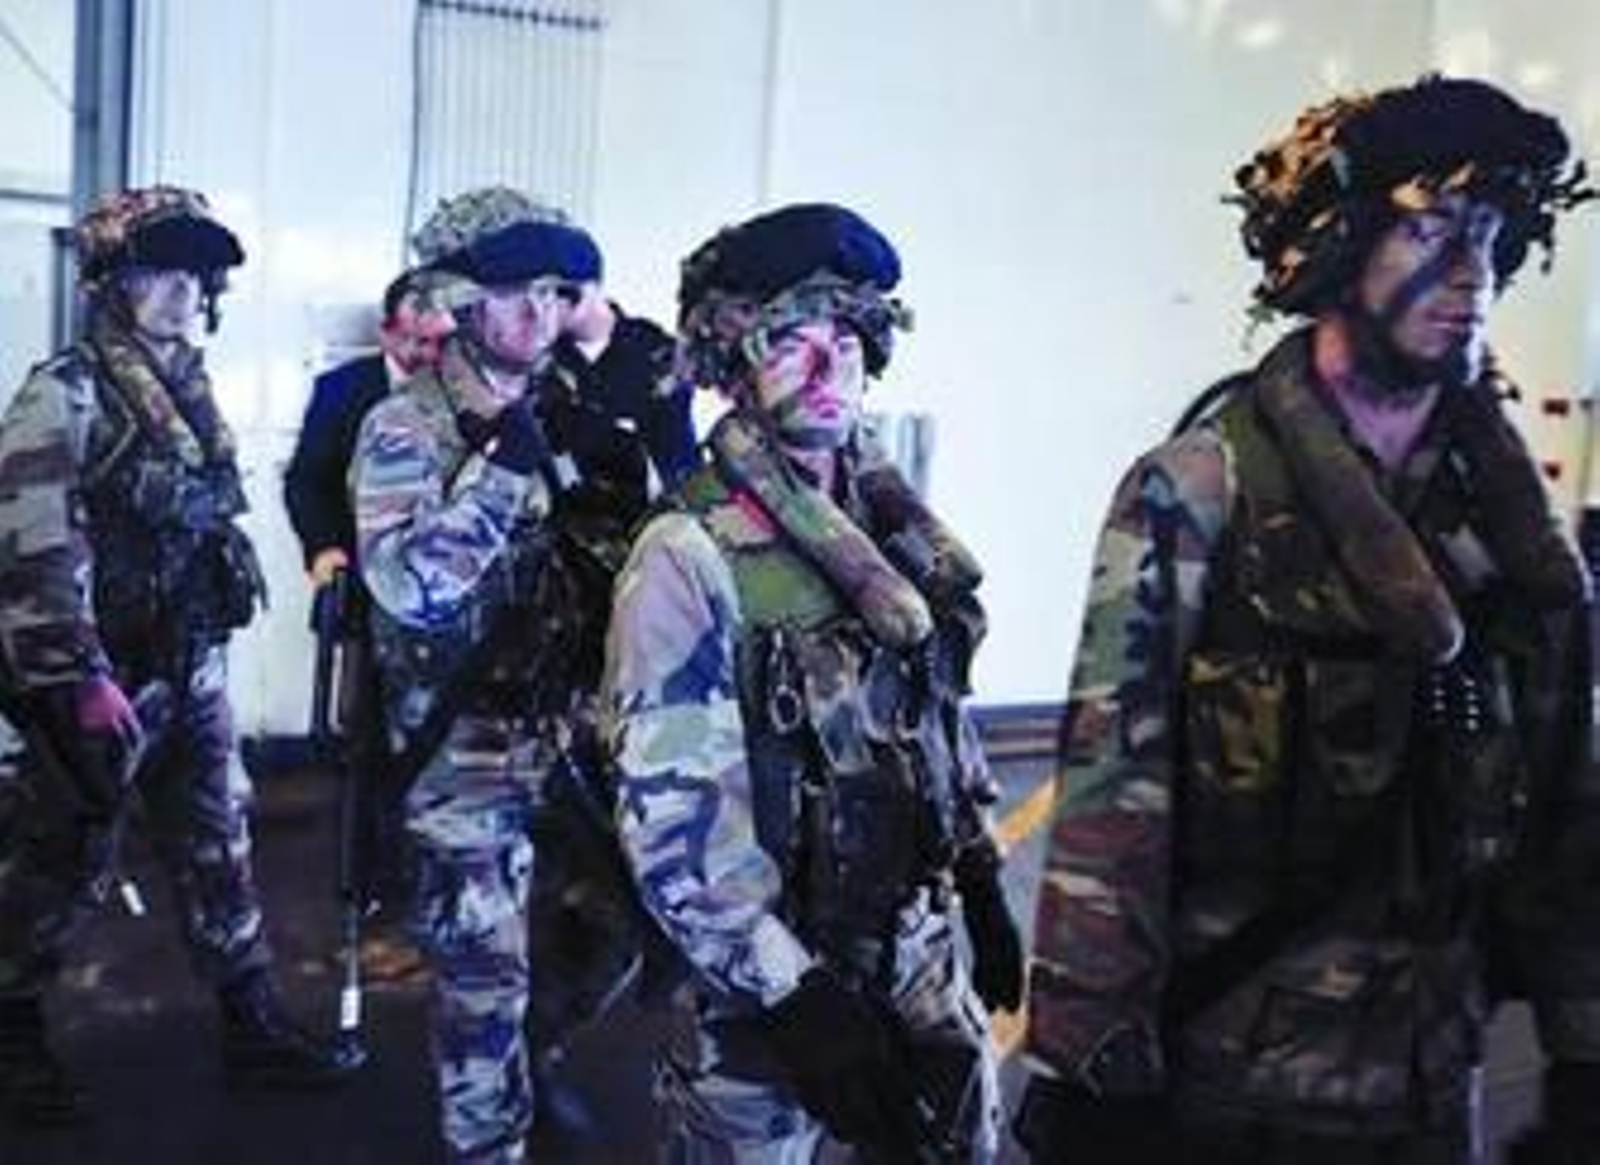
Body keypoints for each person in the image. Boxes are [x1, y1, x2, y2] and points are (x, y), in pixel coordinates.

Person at [1016, 76, 1600, 1165]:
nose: (1471, 276)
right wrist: (1093, 1065)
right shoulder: (1202, 490)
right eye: (1428, 233)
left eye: (1493, 237)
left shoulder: (1505, 525)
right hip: (1233, 1083)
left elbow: (1567, 795)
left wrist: (1583, 1047)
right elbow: (1110, 806)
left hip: (1433, 1084)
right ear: (1335, 247)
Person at [602, 202, 1024, 1162]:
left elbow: (932, 712)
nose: (833, 367)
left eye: (852, 337)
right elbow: (673, 824)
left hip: (914, 948)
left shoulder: (891, 529)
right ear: (732, 362)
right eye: (793, 338)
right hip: (761, 986)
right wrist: (793, 992)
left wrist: (980, 861)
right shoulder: (687, 552)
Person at [0, 186, 357, 1126]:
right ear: (113, 284)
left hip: (188, 659)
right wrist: (74, 677)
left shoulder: (186, 390)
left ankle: (252, 1023)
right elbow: (32, 544)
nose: (183, 291)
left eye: (196, 273)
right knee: (58, 854)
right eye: (159, 271)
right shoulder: (66, 392)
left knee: (219, 844)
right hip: (103, 675)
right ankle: (8, 1026)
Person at [352, 185, 674, 1162]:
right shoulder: (404, 427)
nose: (537, 312)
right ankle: (487, 1133)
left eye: (549, 290)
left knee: (629, 918)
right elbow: (409, 585)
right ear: (458, 300)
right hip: (459, 746)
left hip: (565, 730)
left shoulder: (566, 408)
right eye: (511, 292)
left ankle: (527, 1057)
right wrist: (498, 475)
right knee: (482, 970)